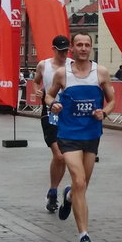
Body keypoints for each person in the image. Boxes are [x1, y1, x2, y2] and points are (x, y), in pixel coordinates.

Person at [45, 33, 115, 242]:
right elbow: (48, 96)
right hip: (69, 133)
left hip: (91, 134)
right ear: (72, 49)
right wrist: (53, 104)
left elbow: (112, 100)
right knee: (79, 180)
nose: (83, 48)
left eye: (87, 45)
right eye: (79, 45)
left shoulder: (100, 72)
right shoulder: (62, 73)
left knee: (82, 186)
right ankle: (83, 235)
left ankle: (68, 197)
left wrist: (103, 112)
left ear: (91, 48)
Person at [32, 34, 71, 214]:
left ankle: (53, 191)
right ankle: (54, 192)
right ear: (54, 49)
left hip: (68, 113)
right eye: (61, 50)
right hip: (49, 112)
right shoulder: (44, 65)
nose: (64, 54)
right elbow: (35, 81)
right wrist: (38, 93)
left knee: (62, 156)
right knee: (59, 155)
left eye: (66, 50)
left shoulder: (73, 65)